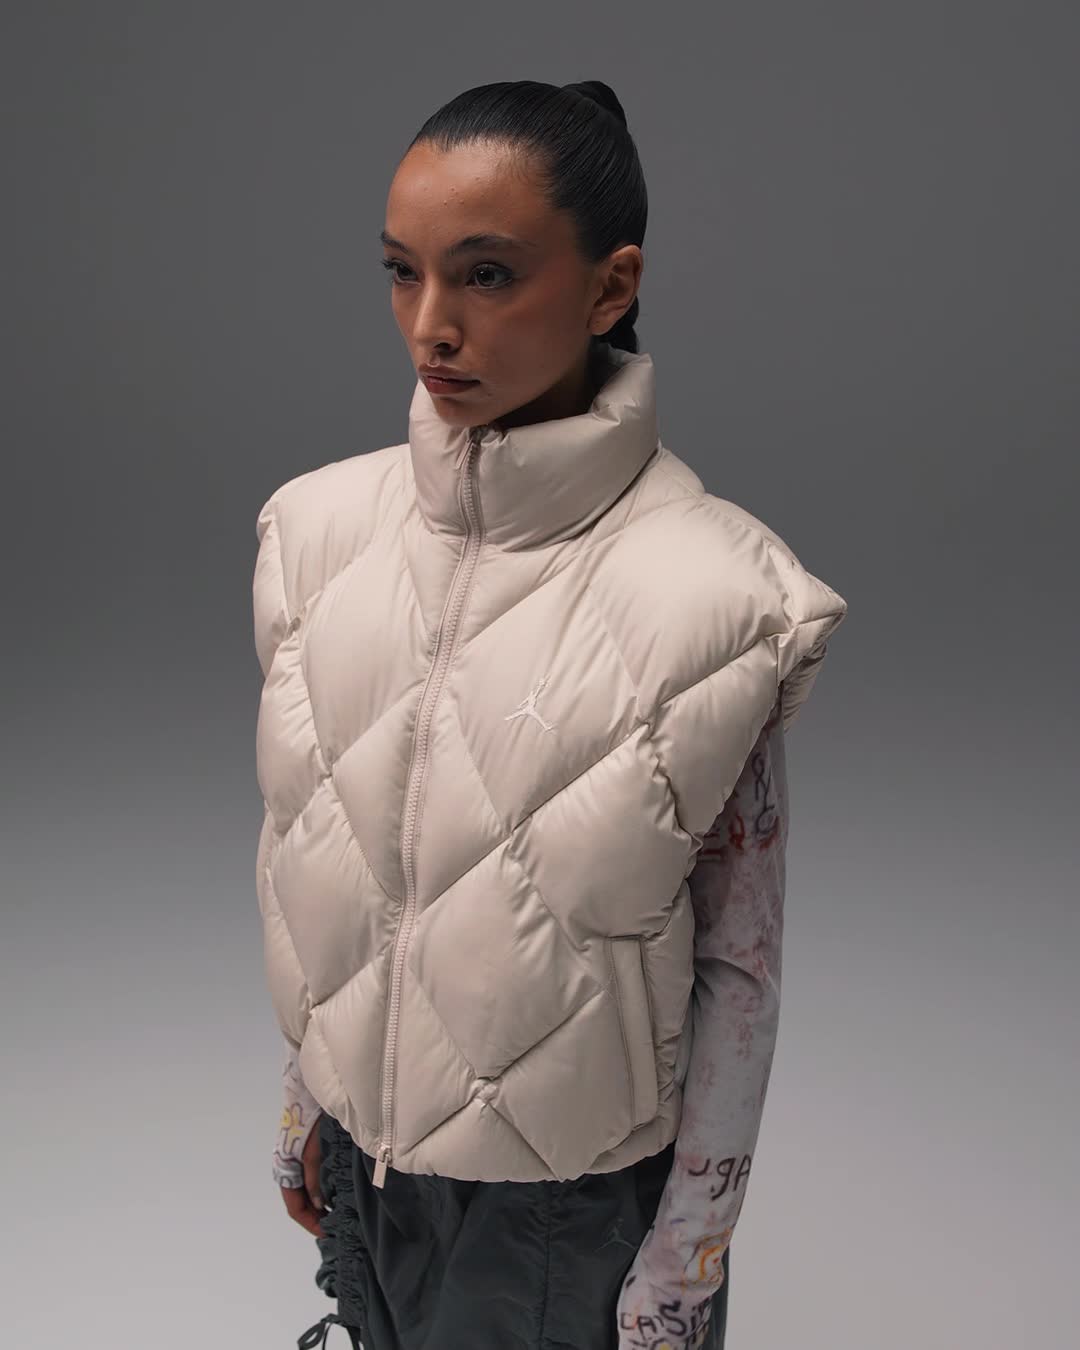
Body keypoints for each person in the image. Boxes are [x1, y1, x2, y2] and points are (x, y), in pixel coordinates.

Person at [252, 79, 848, 1350]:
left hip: (568, 1215)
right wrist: (309, 1097)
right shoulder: (315, 535)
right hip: (367, 1167)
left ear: (610, 286)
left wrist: (683, 1264)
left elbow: (739, 967)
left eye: (486, 275)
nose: (431, 325)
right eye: (402, 272)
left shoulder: (717, 596)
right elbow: (320, 849)